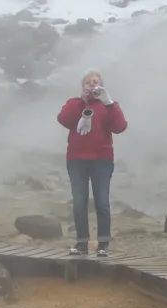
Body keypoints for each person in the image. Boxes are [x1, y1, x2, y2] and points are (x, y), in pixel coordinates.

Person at [56, 70, 128, 257]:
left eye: (96, 82)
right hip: (77, 160)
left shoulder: (107, 105)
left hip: (101, 160)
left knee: (102, 202)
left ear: (102, 86)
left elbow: (120, 127)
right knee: (79, 203)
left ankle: (103, 244)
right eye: (88, 82)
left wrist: (109, 102)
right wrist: (82, 101)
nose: (92, 85)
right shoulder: (74, 103)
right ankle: (81, 244)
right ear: (83, 87)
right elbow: (63, 119)